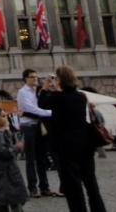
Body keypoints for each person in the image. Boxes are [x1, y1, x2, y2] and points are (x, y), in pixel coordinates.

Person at [43, 65, 106, 212]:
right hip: (85, 143)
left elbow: (42, 104)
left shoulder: (57, 97)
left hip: (66, 146)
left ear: (60, 80)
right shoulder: (81, 96)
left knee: (73, 186)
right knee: (91, 183)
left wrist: (45, 88)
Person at [16, 69, 52, 198]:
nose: (35, 79)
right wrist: (51, 112)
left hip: (39, 125)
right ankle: (32, 187)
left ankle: (45, 187)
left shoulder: (37, 92)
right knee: (30, 158)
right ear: (25, 79)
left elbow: (41, 105)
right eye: (32, 77)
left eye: (36, 77)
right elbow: (33, 109)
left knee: (42, 157)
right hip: (29, 126)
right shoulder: (22, 92)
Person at [0, 106, 28, 212]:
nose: (6, 119)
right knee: (13, 201)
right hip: (7, 173)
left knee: (2, 203)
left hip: (2, 173)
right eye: (3, 116)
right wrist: (17, 147)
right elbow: (4, 152)